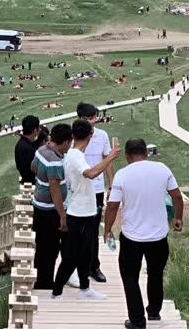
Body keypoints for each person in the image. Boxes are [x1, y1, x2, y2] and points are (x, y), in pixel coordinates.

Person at [105, 138, 182, 329]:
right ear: (146, 153)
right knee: (156, 273)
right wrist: (177, 218)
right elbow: (177, 196)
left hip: (132, 236)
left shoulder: (122, 175)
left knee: (130, 276)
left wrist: (107, 229)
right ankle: (154, 311)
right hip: (158, 235)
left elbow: (113, 206)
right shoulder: (162, 169)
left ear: (127, 156)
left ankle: (138, 321)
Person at [51, 118, 121, 302]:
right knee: (71, 256)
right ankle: (56, 292)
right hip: (78, 213)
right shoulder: (75, 156)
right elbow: (90, 174)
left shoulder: (74, 155)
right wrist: (110, 157)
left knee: (86, 253)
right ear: (89, 136)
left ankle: (85, 288)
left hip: (86, 211)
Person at [32, 123, 73, 290]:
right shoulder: (55, 162)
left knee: (41, 246)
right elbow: (55, 191)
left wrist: (40, 180)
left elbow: (33, 167)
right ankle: (45, 283)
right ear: (64, 142)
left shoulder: (41, 150)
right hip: (50, 211)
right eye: (69, 142)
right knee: (51, 249)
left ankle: (40, 279)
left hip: (38, 205)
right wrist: (62, 215)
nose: (70, 145)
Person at [77, 102, 114, 284]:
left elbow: (107, 160)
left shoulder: (102, 135)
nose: (94, 121)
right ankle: (77, 267)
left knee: (93, 230)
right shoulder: (73, 134)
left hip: (97, 189)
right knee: (77, 230)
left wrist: (111, 185)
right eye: (90, 118)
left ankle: (94, 266)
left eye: (94, 117)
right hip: (77, 189)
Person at [14, 115, 41, 185]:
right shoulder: (31, 149)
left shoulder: (19, 144)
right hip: (33, 184)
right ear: (35, 131)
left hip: (25, 181)